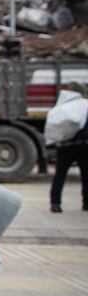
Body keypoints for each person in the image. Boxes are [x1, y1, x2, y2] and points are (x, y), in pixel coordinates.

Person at [50, 82, 88, 213]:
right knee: (85, 175)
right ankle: (86, 203)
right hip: (82, 145)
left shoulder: (62, 106)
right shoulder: (84, 105)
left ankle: (55, 203)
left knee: (60, 175)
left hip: (63, 146)